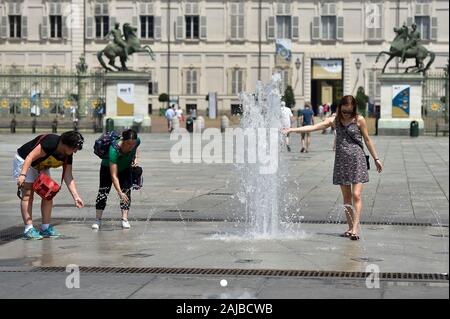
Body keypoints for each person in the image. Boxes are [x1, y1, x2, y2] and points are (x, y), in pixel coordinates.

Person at [283, 95, 383, 240]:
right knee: (347, 197)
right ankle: (349, 227)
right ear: (339, 108)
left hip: (357, 160)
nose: (346, 114)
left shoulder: (359, 120)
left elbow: (367, 139)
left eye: (349, 112)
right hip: (341, 162)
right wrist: (292, 130)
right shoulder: (334, 121)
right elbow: (314, 127)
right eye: (344, 111)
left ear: (354, 109)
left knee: (356, 195)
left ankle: (355, 228)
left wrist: (376, 158)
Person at [13, 131, 85, 240]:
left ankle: (45, 228)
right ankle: (28, 228)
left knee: (48, 194)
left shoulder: (67, 154)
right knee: (28, 194)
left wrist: (76, 196)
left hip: (41, 165)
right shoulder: (50, 142)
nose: (75, 151)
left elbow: (68, 175)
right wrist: (23, 175)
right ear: (65, 144)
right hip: (25, 160)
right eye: (74, 148)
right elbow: (30, 157)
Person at [92, 129, 141, 230]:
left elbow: (136, 147)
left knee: (126, 192)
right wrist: (119, 192)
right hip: (107, 168)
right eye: (128, 144)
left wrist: (135, 157)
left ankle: (124, 219)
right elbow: (114, 175)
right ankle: (98, 219)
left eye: (133, 144)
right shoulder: (113, 150)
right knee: (103, 192)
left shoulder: (137, 141)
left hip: (125, 168)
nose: (130, 146)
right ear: (123, 140)